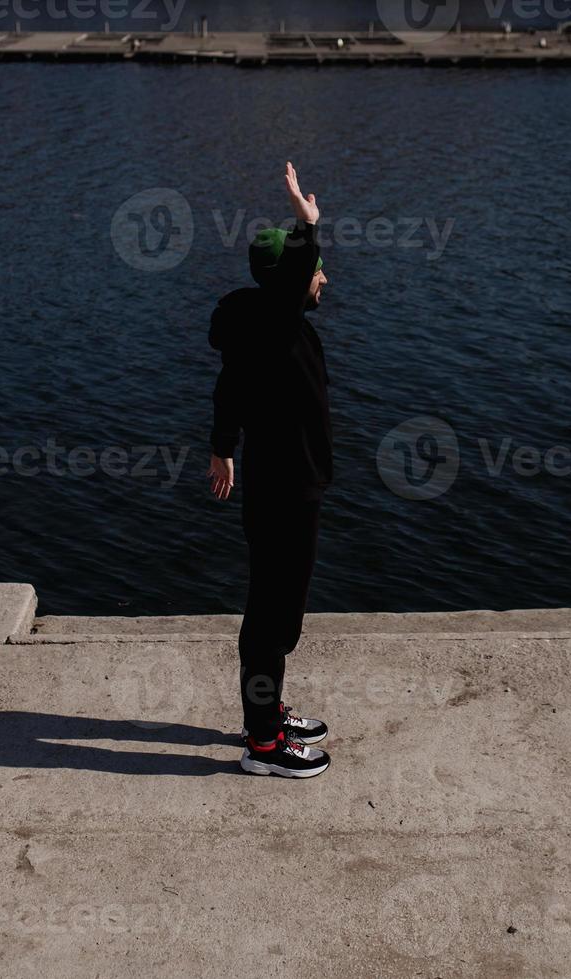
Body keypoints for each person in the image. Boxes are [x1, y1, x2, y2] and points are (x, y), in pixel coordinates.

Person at [207, 162, 333, 779]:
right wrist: (308, 225)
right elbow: (296, 282)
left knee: (282, 610)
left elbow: (229, 389)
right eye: (315, 271)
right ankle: (263, 745)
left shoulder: (258, 326)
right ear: (291, 281)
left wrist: (222, 445)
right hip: (286, 492)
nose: (324, 278)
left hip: (281, 486)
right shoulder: (278, 326)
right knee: (273, 616)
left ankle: (269, 710)